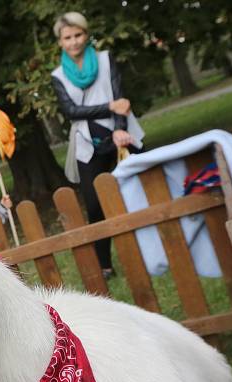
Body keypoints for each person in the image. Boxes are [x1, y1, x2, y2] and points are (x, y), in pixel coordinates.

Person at [51, 11, 145, 279]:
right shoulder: (58, 75)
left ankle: (162, 242)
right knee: (94, 205)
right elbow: (71, 111)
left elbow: (120, 98)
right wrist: (108, 107)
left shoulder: (105, 60)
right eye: (67, 38)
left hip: (121, 133)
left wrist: (119, 130)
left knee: (146, 183)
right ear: (60, 42)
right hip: (87, 142)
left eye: (78, 35)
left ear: (86, 34)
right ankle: (104, 264)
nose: (74, 42)